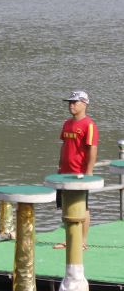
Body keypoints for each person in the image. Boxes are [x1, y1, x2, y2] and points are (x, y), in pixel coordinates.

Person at [54, 89, 98, 249]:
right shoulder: (67, 123)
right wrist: (60, 166)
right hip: (64, 173)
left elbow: (92, 148)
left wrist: (89, 171)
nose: (71, 105)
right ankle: (70, 239)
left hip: (79, 174)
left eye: (74, 102)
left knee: (82, 207)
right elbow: (64, 144)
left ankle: (83, 241)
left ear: (84, 104)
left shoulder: (89, 125)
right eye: (70, 102)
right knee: (66, 207)